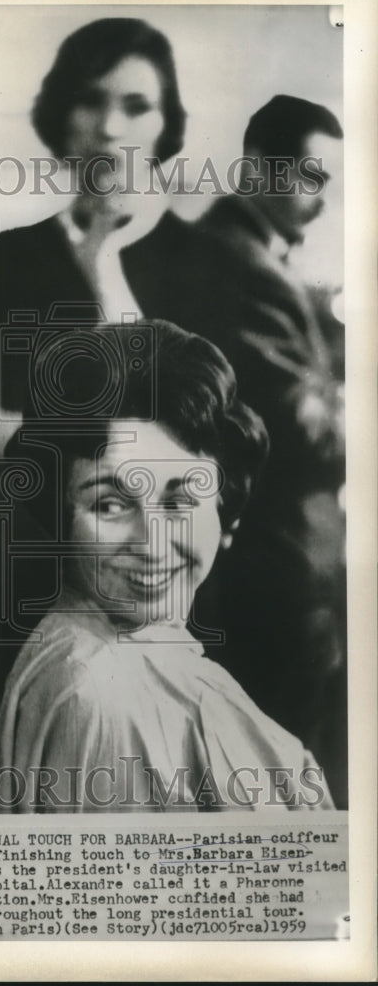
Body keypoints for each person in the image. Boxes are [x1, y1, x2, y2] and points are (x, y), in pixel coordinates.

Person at [0, 321, 334, 813]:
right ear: (60, 519)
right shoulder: (99, 695)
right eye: (109, 504)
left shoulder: (149, 652)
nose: (151, 544)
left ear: (226, 514)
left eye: (181, 499)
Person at [186, 95, 347, 805]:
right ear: (256, 169)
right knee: (281, 774)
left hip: (277, 561)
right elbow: (303, 431)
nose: (321, 198)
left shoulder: (252, 258)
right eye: (310, 175)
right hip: (276, 569)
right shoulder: (235, 262)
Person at [0, 17, 201, 453]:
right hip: (33, 504)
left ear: (165, 125)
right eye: (90, 100)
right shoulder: (11, 256)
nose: (109, 128)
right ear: (60, 114)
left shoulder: (207, 259)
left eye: (136, 106)